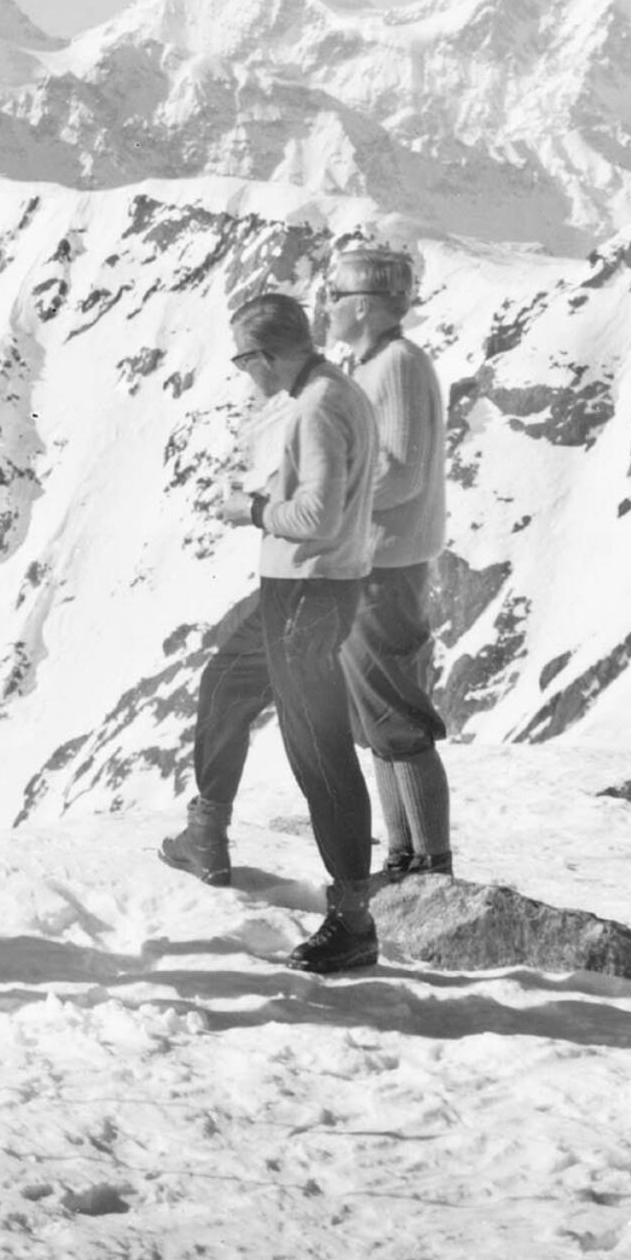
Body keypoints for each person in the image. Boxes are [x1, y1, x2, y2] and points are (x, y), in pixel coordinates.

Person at [200, 290, 382, 974]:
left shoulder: (318, 406)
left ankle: (353, 918)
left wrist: (251, 510)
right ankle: (205, 828)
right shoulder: (331, 393)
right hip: (299, 590)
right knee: (226, 681)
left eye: (244, 359)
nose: (245, 372)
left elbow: (318, 516)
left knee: (317, 749)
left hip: (310, 592)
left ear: (268, 355)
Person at [323, 241, 456, 883]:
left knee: (394, 714)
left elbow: (400, 472)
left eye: (336, 295)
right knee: (377, 716)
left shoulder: (396, 364)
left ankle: (428, 862)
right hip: (371, 562)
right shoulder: (379, 364)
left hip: (385, 566)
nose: (327, 305)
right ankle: (405, 855)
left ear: (366, 306)